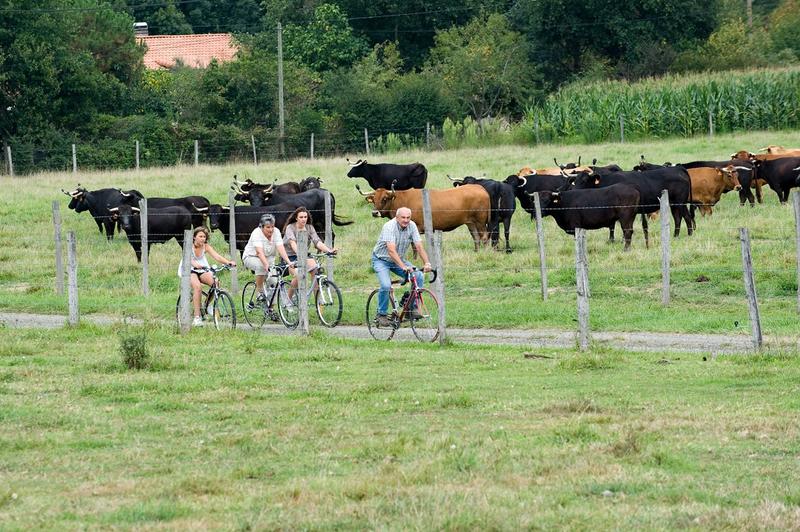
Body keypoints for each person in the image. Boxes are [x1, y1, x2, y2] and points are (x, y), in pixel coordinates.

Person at [371, 206, 432, 326]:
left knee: (418, 276)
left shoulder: (412, 226)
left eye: (408, 217)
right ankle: (381, 314)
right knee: (386, 285)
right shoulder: (389, 226)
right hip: (381, 259)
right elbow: (391, 251)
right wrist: (403, 267)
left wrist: (427, 262)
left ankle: (411, 308)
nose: (406, 220)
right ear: (397, 217)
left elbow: (419, 246)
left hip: (398, 259)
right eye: (403, 217)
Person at [178, 226, 236, 327]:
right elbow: (188, 259)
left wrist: (228, 262)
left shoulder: (206, 246)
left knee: (215, 282)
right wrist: (195, 264)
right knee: (197, 287)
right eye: (200, 236)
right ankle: (197, 318)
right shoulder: (188, 246)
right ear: (194, 237)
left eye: (204, 237)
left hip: (202, 269)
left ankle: (206, 305)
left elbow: (217, 256)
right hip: (188, 269)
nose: (203, 238)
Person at [282, 207, 337, 299]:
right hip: (290, 257)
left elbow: (317, 242)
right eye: (301, 217)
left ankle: (318, 301)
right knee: (299, 276)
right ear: (296, 218)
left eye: (305, 217)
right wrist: (300, 254)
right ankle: (288, 299)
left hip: (304, 255)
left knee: (315, 270)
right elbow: (292, 243)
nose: (304, 219)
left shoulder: (309, 227)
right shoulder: (290, 227)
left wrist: (329, 250)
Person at [242, 213, 292, 309]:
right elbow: (259, 252)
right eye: (268, 227)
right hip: (251, 257)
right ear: (262, 227)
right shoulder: (256, 233)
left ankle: (270, 309)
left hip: (269, 260)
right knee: (261, 266)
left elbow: (281, 248)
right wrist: (266, 265)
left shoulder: (276, 232)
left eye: (272, 226)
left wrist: (288, 262)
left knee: (274, 281)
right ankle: (259, 292)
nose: (271, 229)